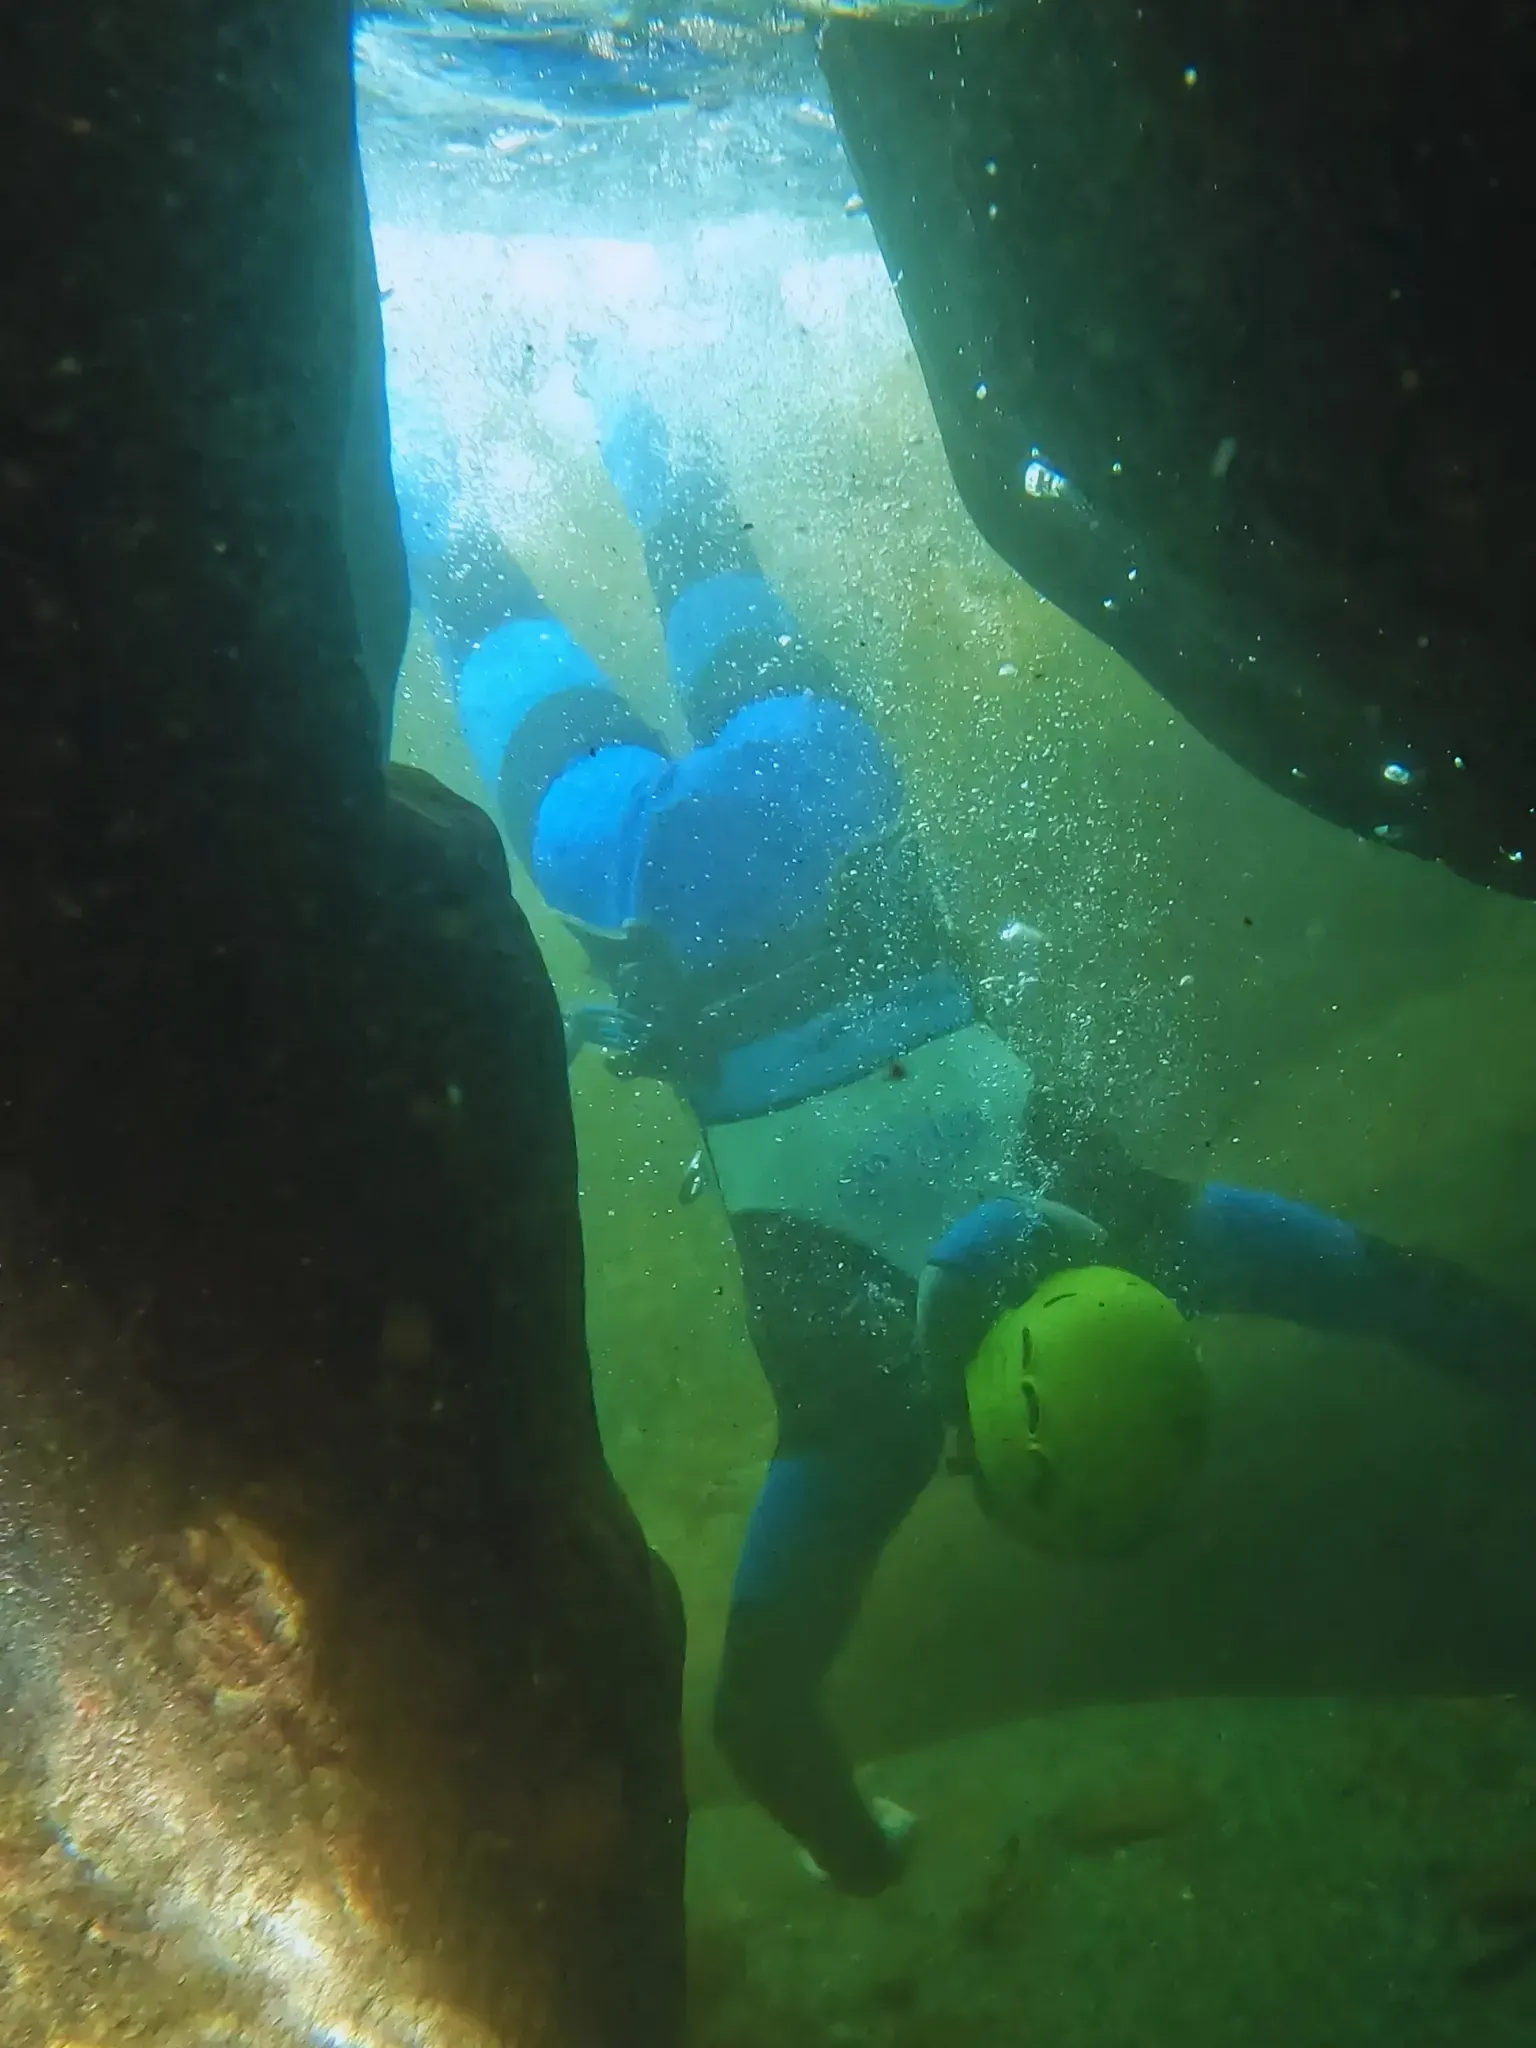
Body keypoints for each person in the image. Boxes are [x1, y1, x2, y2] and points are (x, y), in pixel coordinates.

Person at [390, 361, 1535, 1897]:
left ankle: (614, 358)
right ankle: (415, 427)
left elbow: (1390, 1287)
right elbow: (759, 1711)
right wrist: (865, 1858)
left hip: (827, 785)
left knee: (697, 530)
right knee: (474, 590)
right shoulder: (865, 1424)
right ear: (981, 1447)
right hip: (642, 868)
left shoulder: (1151, 1228)